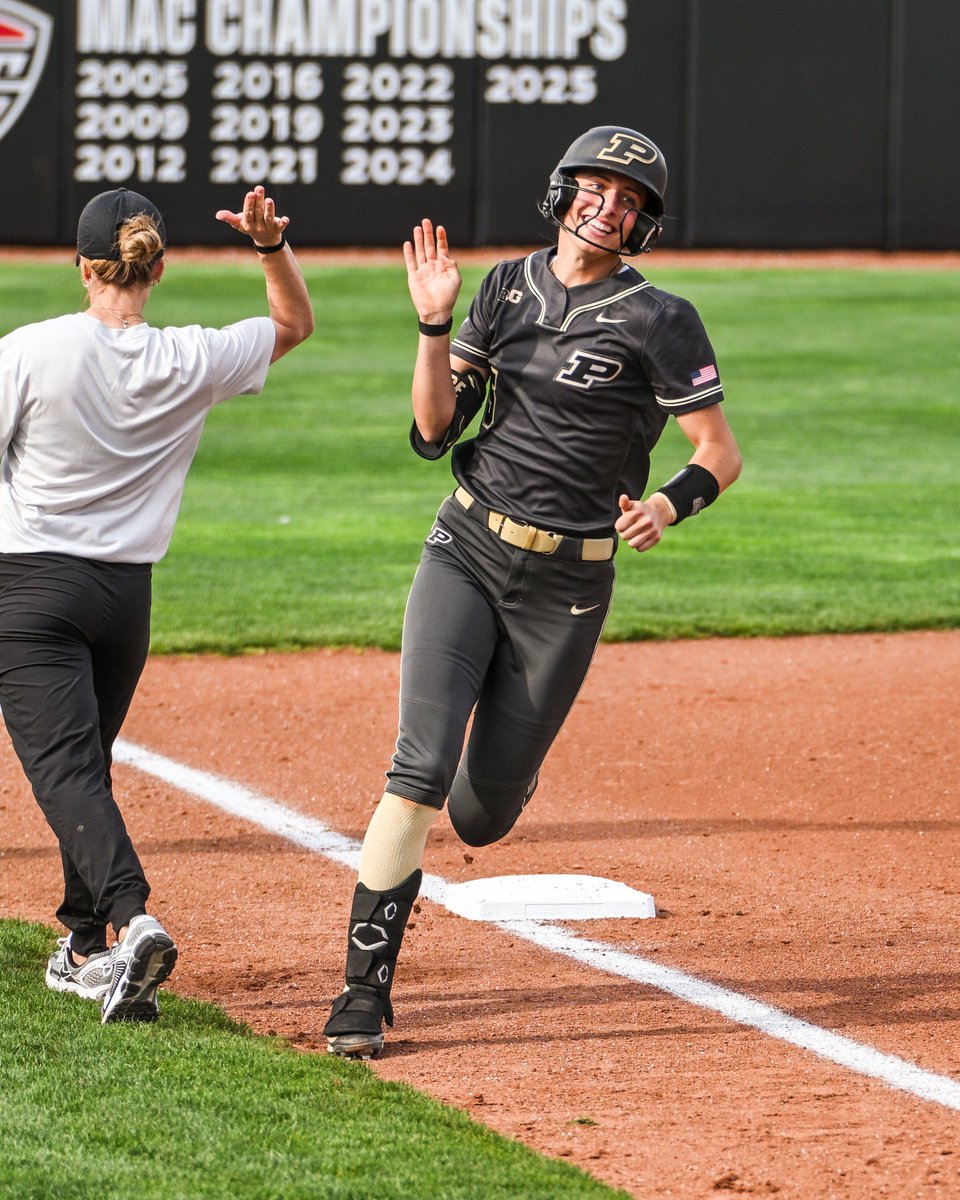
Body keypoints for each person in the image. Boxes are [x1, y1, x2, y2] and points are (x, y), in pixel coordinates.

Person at [323, 125, 742, 1059]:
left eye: (631, 200)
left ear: (644, 225)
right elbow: (434, 432)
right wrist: (433, 325)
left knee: (480, 815)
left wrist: (669, 507)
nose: (610, 206)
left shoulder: (661, 318)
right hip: (466, 546)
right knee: (419, 770)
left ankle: (507, 766)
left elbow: (719, 452)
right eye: (597, 187)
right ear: (562, 193)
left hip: (570, 587)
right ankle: (362, 993)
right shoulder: (504, 287)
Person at [0, 184, 313, 1023]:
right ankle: (83, 947)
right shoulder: (192, 355)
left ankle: (131, 918)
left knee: (65, 771)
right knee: (86, 772)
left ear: (81, 266)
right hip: (123, 601)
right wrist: (269, 247)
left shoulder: (30, 349)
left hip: (31, 590)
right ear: (158, 268)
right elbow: (292, 326)